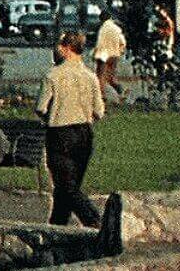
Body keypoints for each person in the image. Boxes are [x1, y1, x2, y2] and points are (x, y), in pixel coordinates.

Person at [37, 31, 106, 227]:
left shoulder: (52, 76)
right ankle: (57, 225)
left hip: (60, 134)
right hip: (84, 134)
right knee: (66, 186)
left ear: (67, 49)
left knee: (67, 187)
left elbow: (41, 107)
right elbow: (99, 111)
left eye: (60, 45)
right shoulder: (91, 77)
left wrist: (51, 115)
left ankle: (95, 222)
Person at [92, 14, 127, 101]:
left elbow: (99, 43)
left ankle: (101, 97)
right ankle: (119, 89)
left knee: (101, 76)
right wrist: (120, 51)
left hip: (103, 55)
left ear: (101, 19)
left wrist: (95, 53)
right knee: (111, 76)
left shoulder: (103, 29)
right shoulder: (116, 29)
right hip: (114, 55)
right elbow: (123, 42)